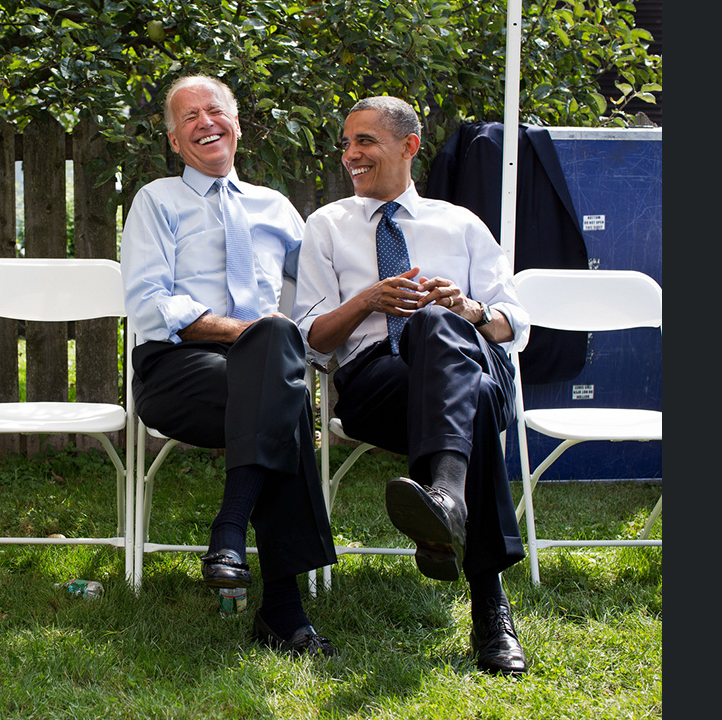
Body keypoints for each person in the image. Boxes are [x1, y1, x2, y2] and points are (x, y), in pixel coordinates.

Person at [293, 96, 530, 675]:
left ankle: (447, 503)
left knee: (438, 327)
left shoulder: (461, 222)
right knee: (465, 397)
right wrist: (368, 300)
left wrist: (467, 309)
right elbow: (311, 338)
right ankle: (489, 604)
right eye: (346, 142)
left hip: (473, 359)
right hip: (379, 383)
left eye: (365, 141)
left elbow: (513, 323)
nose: (351, 154)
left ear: (409, 146)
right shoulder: (327, 226)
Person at [121, 75, 338, 657]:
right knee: (279, 380)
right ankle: (283, 609)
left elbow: (320, 289)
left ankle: (230, 537)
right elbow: (149, 304)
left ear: (237, 125)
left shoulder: (276, 209)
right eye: (188, 117)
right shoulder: (156, 202)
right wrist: (255, 335)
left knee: (277, 382)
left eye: (214, 111)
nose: (204, 123)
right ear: (173, 141)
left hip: (261, 373)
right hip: (180, 370)